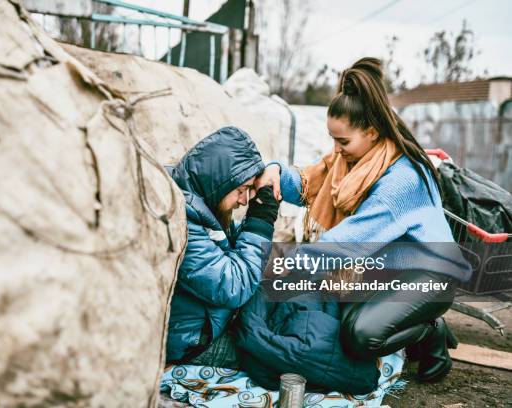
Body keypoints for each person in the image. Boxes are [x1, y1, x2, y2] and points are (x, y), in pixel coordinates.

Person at [256, 57, 471, 383]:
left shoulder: (400, 180)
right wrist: (273, 170)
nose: (335, 150)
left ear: (371, 132)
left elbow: (343, 245)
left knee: (358, 337)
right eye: (333, 140)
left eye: (342, 142)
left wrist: (276, 274)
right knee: (338, 315)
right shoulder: (348, 161)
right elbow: (305, 182)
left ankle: (429, 332)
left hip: (430, 273)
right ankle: (407, 325)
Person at [165, 126, 280, 366]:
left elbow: (230, 243)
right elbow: (233, 285)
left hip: (216, 320)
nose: (245, 200)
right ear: (219, 181)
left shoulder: (203, 201)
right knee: (279, 359)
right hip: (193, 343)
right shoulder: (181, 219)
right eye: (242, 190)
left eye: (249, 190)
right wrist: (260, 222)